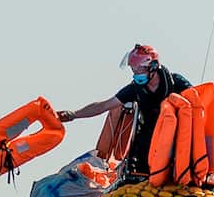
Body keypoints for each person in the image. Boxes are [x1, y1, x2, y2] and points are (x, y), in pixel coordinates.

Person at [56, 44, 192, 175]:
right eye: (133, 69)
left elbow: (198, 101)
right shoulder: (135, 89)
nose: (136, 73)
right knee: (138, 158)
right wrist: (74, 114)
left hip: (176, 133)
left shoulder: (176, 82)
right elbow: (103, 106)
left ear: (153, 67)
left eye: (139, 69)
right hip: (147, 135)